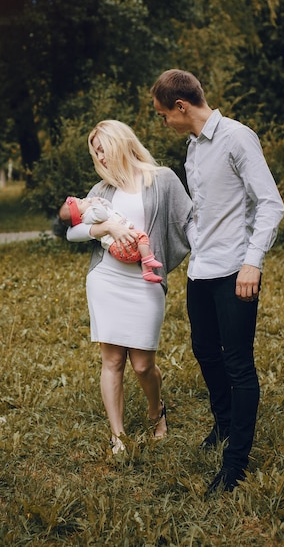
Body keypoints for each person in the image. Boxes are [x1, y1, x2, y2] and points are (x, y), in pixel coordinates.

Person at [151, 69, 284, 494]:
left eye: (162, 114)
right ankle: (224, 425)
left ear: (181, 106)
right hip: (201, 269)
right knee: (205, 351)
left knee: (238, 362)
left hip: (235, 271)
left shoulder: (237, 137)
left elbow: (270, 204)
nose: (163, 122)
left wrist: (253, 263)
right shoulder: (192, 148)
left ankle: (235, 464)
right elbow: (205, 212)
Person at [63, 119, 192, 455]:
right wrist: (104, 226)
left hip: (145, 280)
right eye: (95, 152)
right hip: (106, 279)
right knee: (112, 360)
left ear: (121, 142)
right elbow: (71, 231)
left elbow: (189, 220)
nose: (100, 157)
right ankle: (117, 434)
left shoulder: (161, 179)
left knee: (142, 364)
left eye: (103, 148)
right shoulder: (100, 191)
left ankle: (156, 410)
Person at [59, 195, 163, 282]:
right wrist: (95, 203)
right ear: (80, 216)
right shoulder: (89, 215)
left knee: (142, 246)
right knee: (142, 237)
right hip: (118, 245)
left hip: (119, 247)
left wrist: (101, 201)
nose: (85, 199)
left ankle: (147, 272)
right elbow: (103, 216)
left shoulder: (92, 212)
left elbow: (109, 207)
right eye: (81, 202)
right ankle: (148, 261)